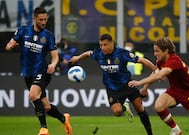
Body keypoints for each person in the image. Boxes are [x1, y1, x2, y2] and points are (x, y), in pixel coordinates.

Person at [69, 34, 157, 135]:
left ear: (112, 44)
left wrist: (155, 69)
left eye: (105, 45)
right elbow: (89, 53)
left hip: (127, 84)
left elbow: (142, 60)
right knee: (117, 112)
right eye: (101, 45)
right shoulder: (98, 53)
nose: (102, 47)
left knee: (140, 108)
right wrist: (77, 58)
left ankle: (150, 133)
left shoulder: (122, 53)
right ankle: (124, 107)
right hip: (112, 88)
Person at [5, 7, 72, 135]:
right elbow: (8, 45)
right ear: (34, 19)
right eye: (41, 19)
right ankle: (64, 118)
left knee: (33, 95)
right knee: (46, 106)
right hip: (27, 73)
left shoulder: (48, 35)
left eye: (45, 19)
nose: (43, 22)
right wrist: (10, 46)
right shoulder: (23, 31)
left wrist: (53, 64)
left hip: (42, 71)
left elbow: (55, 56)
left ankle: (44, 129)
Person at [128, 37, 189, 135]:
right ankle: (175, 129)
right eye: (154, 51)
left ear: (166, 51)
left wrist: (139, 82)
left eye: (157, 51)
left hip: (188, 93)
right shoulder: (160, 61)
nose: (155, 54)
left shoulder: (174, 60)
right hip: (174, 91)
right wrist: (145, 88)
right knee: (159, 106)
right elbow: (156, 72)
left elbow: (159, 75)